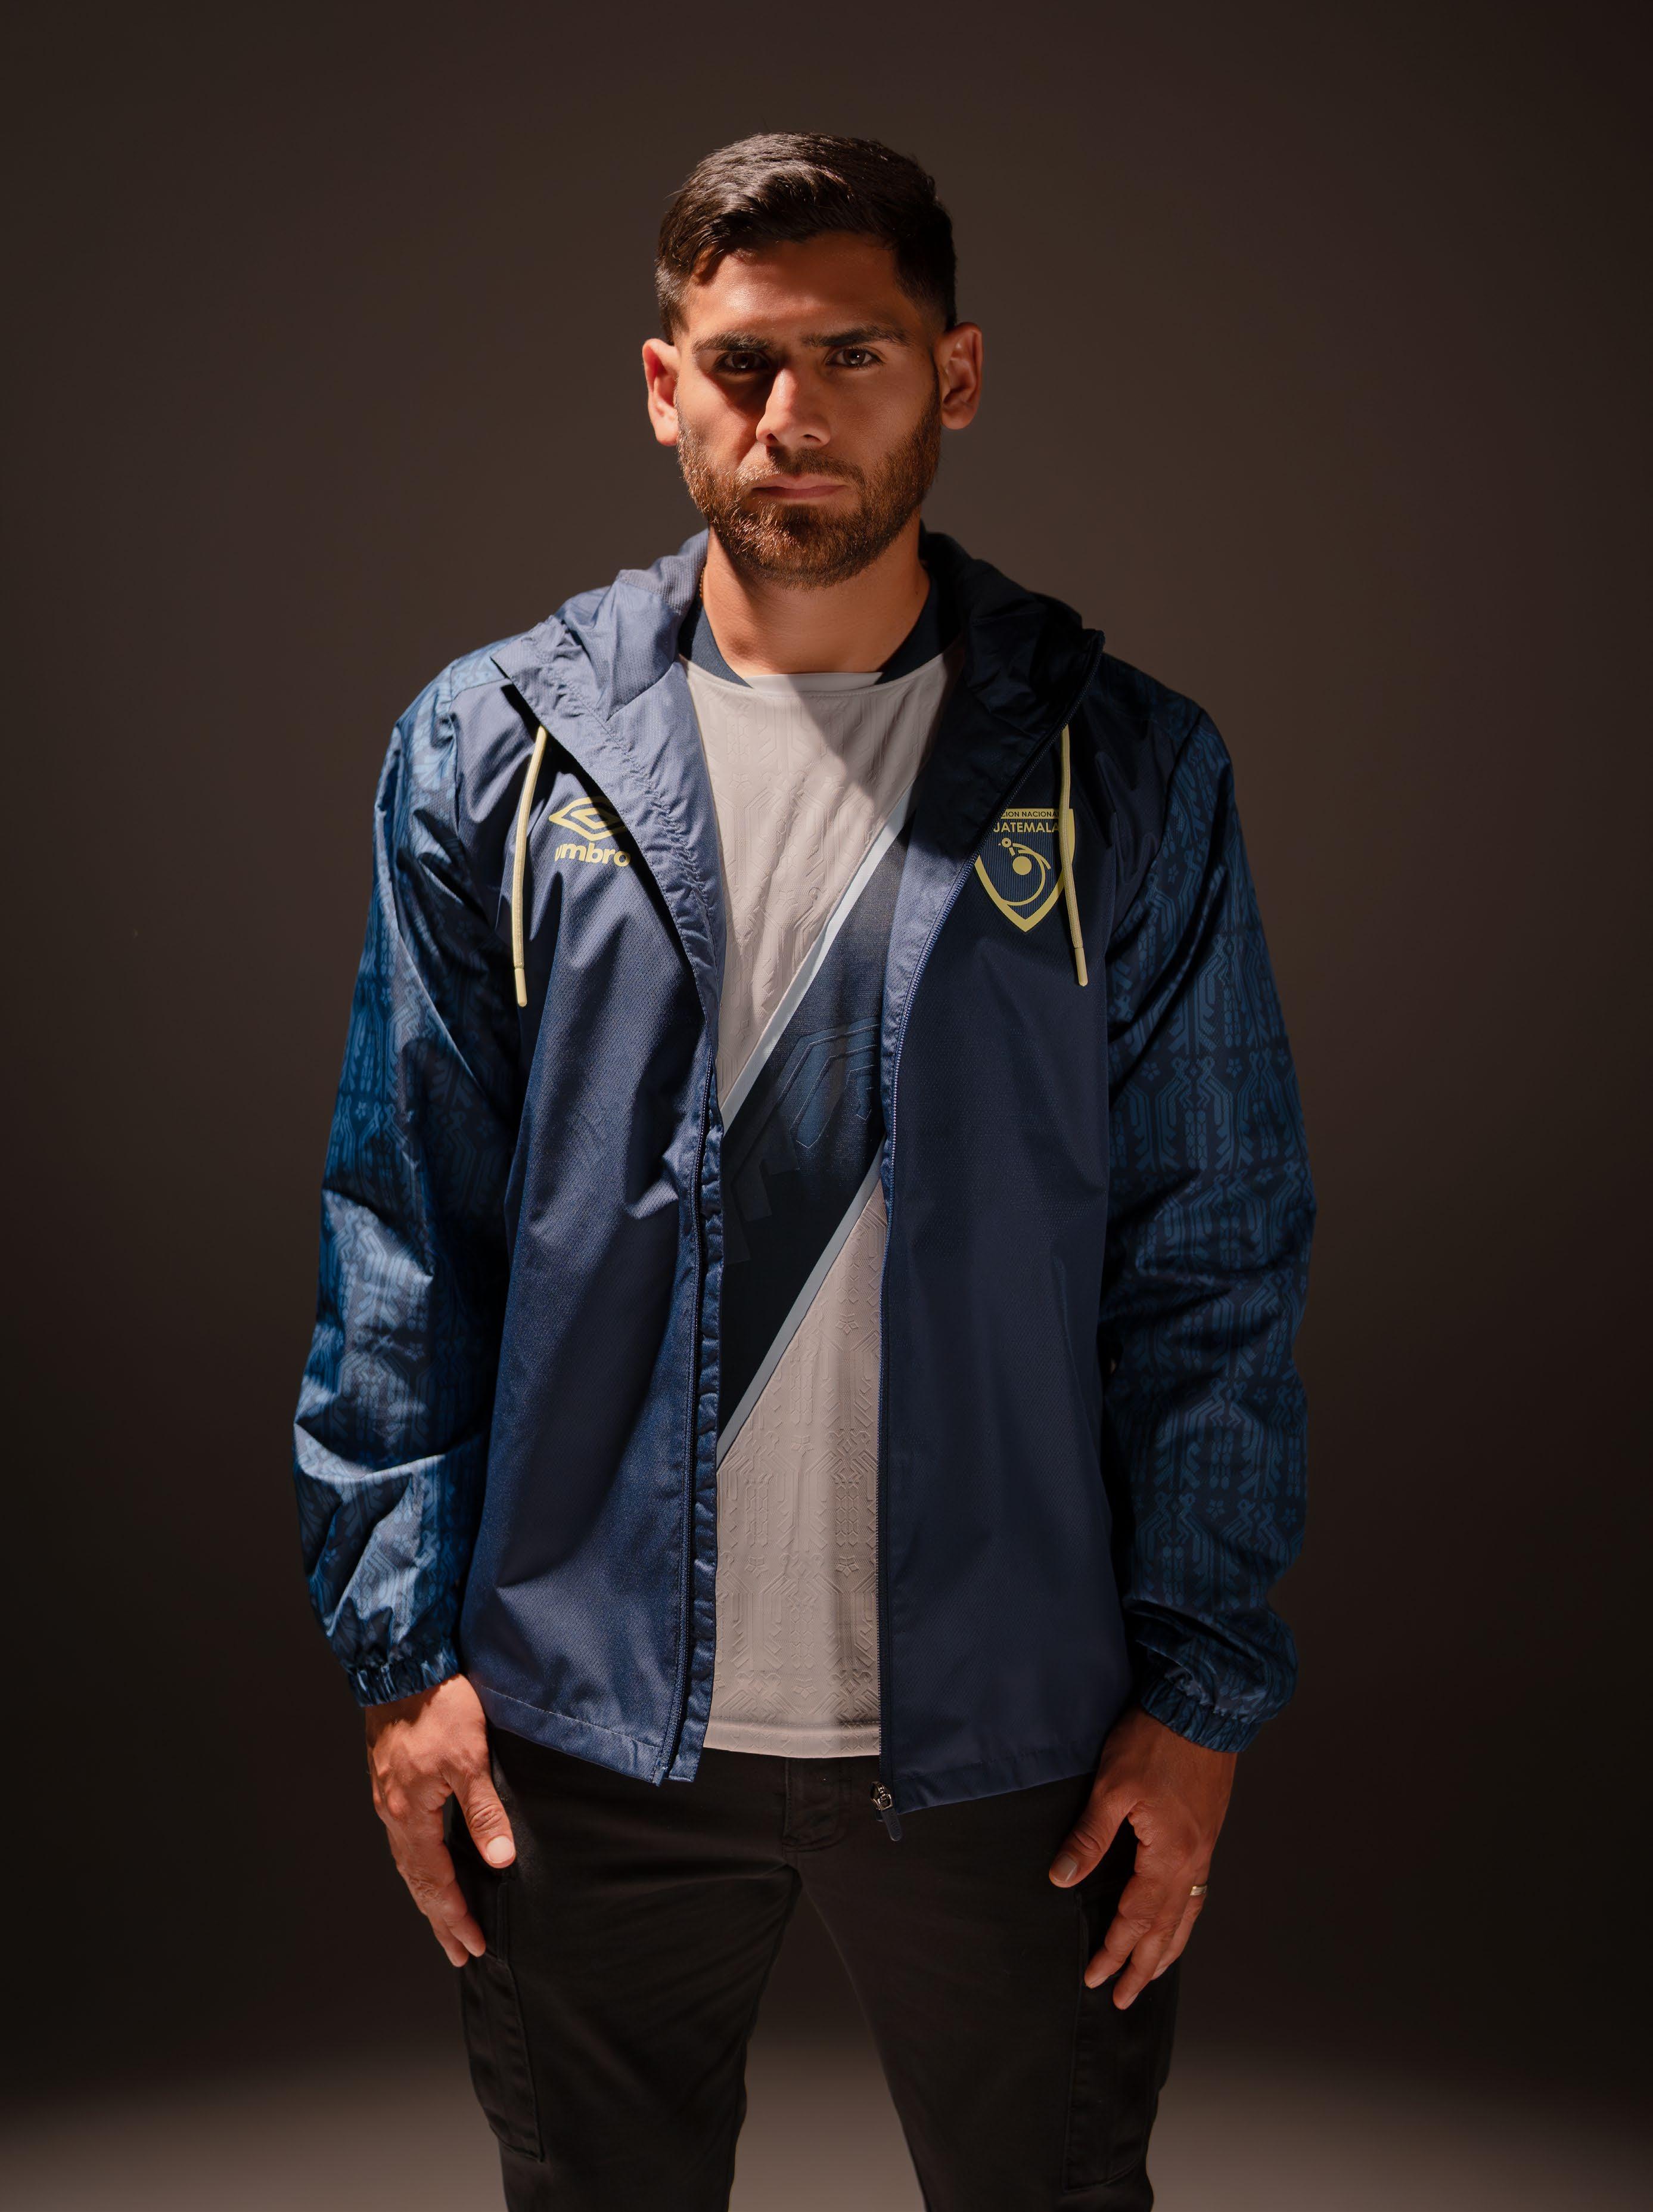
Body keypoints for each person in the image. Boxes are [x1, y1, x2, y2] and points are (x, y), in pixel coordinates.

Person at [295, 132, 1314, 2211]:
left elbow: (1212, 1249)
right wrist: (402, 1666)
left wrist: (1200, 1694)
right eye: (744, 360)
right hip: (579, 1724)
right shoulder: (493, 753)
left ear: (955, 375)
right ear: (663, 384)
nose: (793, 411)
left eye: (854, 352)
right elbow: (404, 1225)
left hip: (1016, 1734)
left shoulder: (1125, 767)